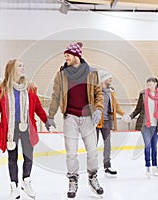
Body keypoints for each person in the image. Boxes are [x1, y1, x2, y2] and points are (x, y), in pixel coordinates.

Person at [46, 42, 104, 199]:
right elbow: (56, 95)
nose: (66, 59)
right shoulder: (62, 74)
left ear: (77, 55)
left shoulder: (91, 73)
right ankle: (72, 180)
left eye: (68, 56)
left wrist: (98, 109)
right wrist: (50, 116)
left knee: (92, 151)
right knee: (71, 153)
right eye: (65, 56)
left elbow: (99, 93)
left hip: (88, 118)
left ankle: (93, 178)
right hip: (70, 117)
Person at [0, 59, 48, 199]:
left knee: (28, 156)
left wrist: (47, 121)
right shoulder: (2, 90)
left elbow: (38, 107)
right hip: (10, 129)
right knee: (12, 158)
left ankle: (26, 181)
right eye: (19, 65)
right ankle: (14, 186)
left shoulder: (30, 88)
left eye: (23, 64)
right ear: (11, 70)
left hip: (27, 127)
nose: (23, 67)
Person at [127, 77, 158, 178]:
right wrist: (130, 116)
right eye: (148, 84)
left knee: (154, 147)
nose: (149, 86)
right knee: (147, 146)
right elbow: (138, 109)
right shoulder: (143, 95)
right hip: (145, 125)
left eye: (151, 84)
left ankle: (155, 167)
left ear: (155, 84)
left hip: (156, 126)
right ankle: (147, 166)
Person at [96, 70, 126, 177]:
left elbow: (116, 106)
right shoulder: (96, 91)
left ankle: (107, 166)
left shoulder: (111, 92)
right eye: (109, 78)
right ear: (104, 79)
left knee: (107, 145)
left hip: (107, 121)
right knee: (93, 145)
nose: (111, 80)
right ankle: (92, 167)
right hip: (95, 122)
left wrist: (123, 114)